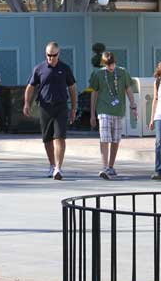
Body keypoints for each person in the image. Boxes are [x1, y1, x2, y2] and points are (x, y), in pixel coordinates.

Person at [24, 41, 77, 180]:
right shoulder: (39, 68)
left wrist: (74, 109)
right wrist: (26, 104)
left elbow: (72, 88)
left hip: (61, 106)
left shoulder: (65, 68)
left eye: (54, 55)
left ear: (58, 54)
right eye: (48, 55)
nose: (51, 58)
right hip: (45, 107)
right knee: (47, 139)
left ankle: (58, 168)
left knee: (59, 137)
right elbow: (30, 86)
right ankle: (52, 165)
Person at [89, 51, 137, 179]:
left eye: (112, 64)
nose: (111, 67)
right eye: (108, 65)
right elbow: (94, 93)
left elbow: (128, 89)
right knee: (105, 138)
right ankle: (104, 167)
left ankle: (111, 166)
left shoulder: (122, 72)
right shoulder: (98, 74)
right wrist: (92, 114)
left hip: (118, 110)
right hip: (103, 110)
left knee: (115, 139)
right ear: (103, 64)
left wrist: (133, 106)